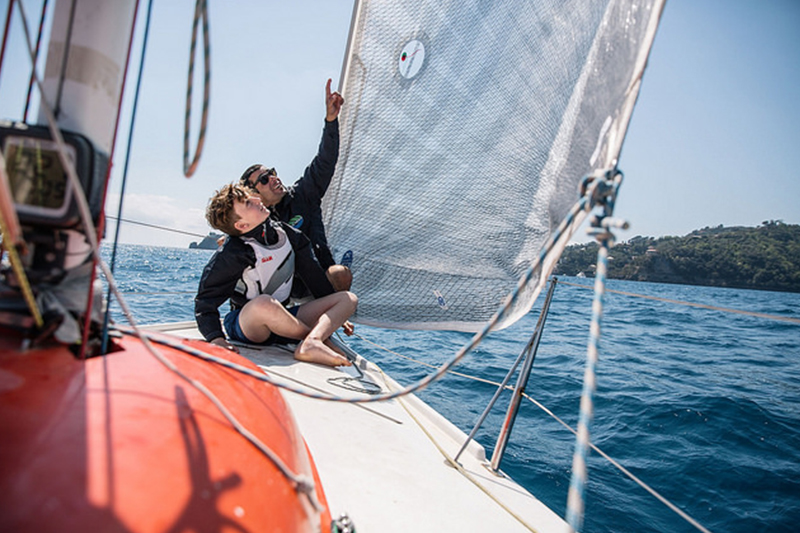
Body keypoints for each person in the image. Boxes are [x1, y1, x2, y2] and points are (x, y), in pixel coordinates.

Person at [195, 183, 357, 367]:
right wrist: (216, 339)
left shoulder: (290, 235)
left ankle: (312, 340)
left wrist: (335, 316)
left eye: (253, 196)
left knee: (348, 299)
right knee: (264, 303)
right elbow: (205, 301)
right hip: (249, 325)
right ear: (242, 225)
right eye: (248, 203)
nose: (257, 199)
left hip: (285, 319)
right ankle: (312, 339)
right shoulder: (233, 253)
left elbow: (315, 278)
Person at [240, 78, 352, 293]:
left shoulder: (304, 193)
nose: (273, 178)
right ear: (255, 194)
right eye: (264, 179)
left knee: (341, 273)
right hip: (285, 287)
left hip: (321, 276)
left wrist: (330, 121)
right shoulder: (257, 218)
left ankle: (334, 308)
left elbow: (325, 161)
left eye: (271, 173)